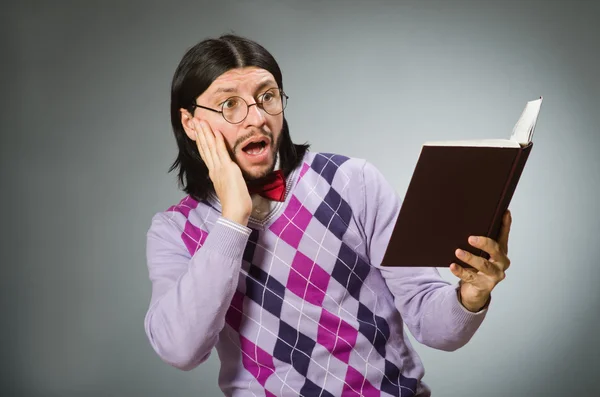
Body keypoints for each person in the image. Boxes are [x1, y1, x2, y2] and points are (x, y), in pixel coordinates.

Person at [144, 34, 512, 397]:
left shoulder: (351, 182)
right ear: (191, 123)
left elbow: (437, 330)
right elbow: (180, 350)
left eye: (267, 97)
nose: (256, 118)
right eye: (230, 105)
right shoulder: (174, 231)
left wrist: (472, 293)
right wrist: (233, 219)